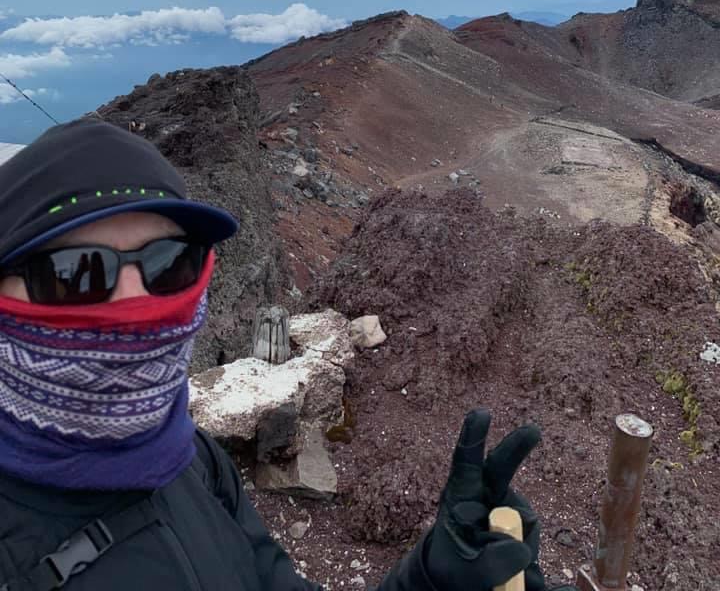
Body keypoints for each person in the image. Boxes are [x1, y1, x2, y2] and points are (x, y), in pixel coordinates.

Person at [0, 118, 577, 591]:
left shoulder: (194, 459)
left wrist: (432, 579)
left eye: (165, 263)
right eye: (73, 274)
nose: (136, 302)